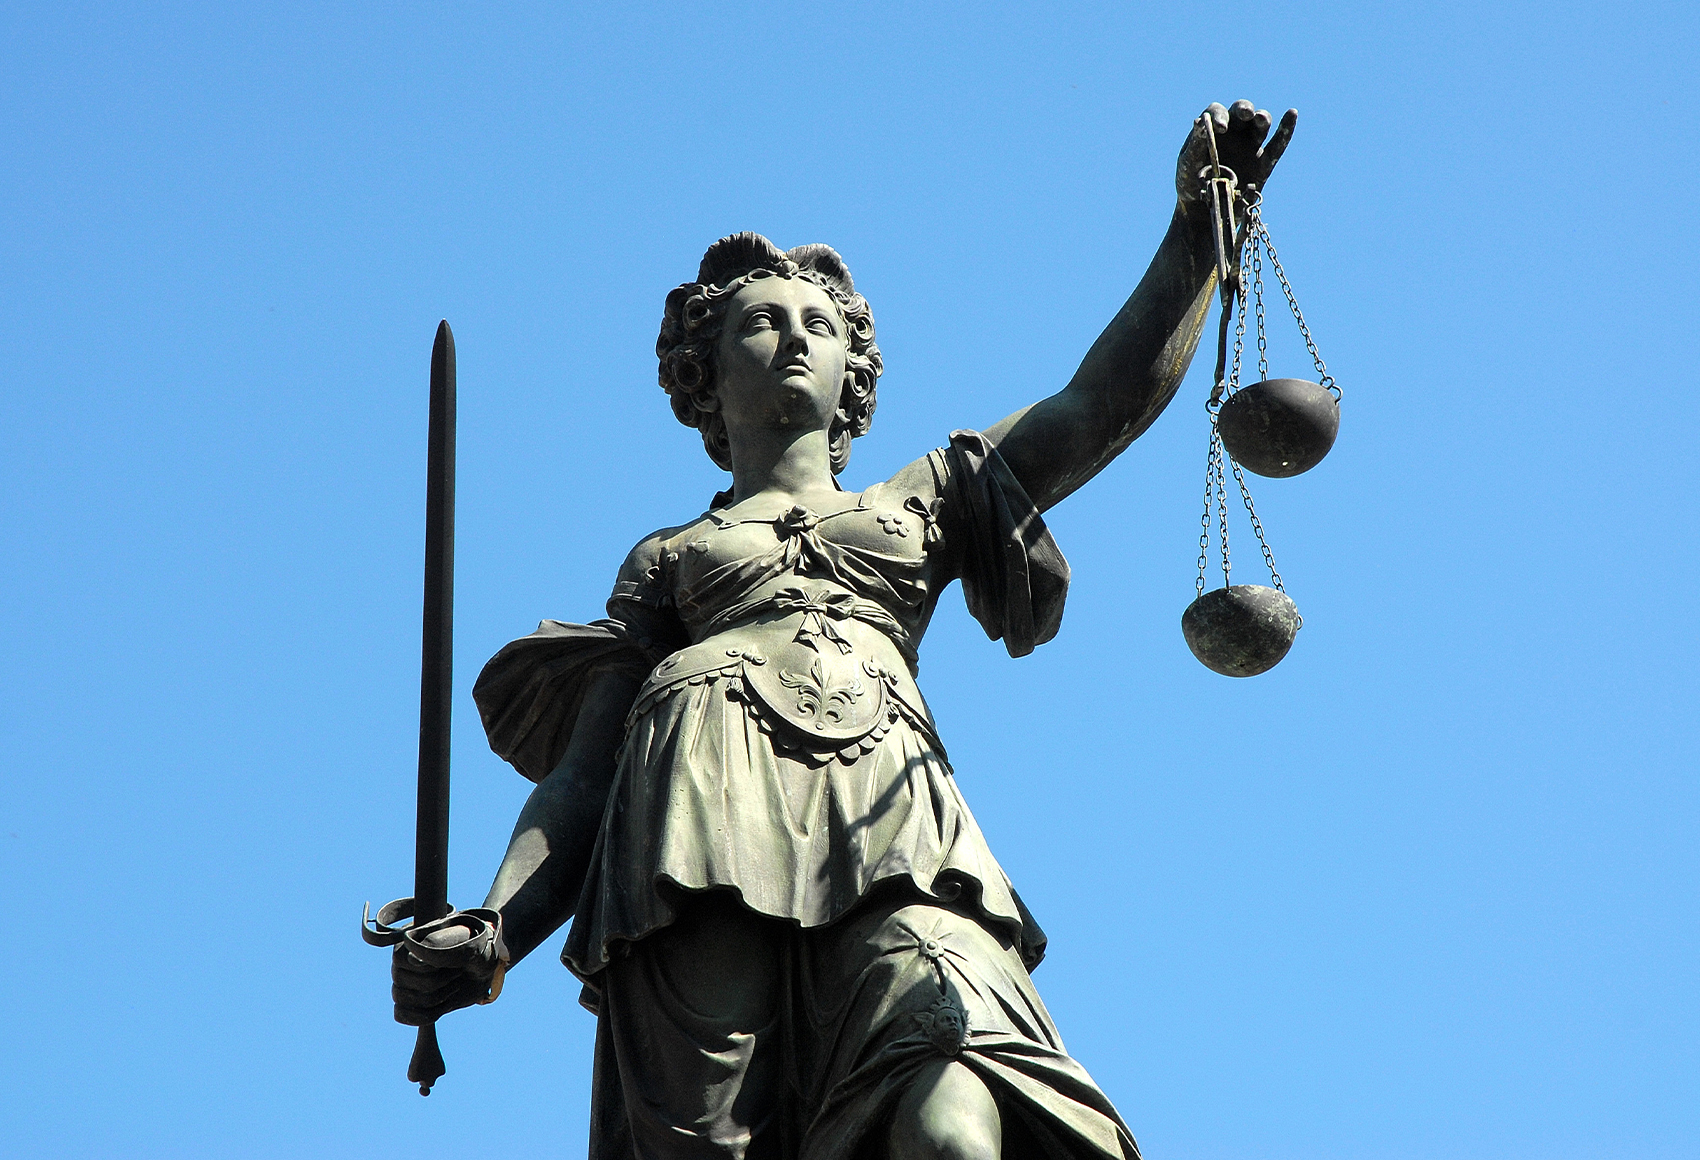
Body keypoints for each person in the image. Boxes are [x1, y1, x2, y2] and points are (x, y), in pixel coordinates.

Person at [392, 101, 1297, 1160]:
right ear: (704, 371)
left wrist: (1194, 233)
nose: (793, 337)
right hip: (694, 827)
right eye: (760, 322)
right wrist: (496, 928)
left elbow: (1098, 402)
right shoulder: (667, 558)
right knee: (708, 1142)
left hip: (895, 828)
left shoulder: (923, 498)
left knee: (957, 1106)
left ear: (851, 373)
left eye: (818, 325)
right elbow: (583, 774)